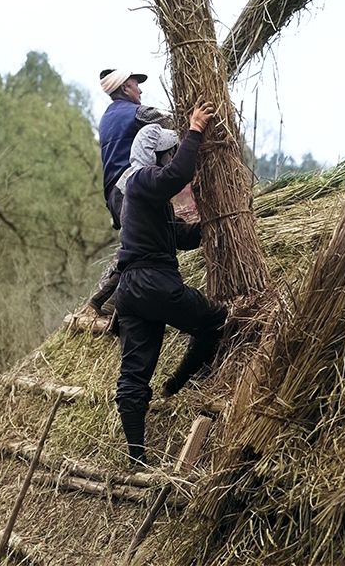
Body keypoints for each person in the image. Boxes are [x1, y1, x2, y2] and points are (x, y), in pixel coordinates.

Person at [112, 103, 227, 466]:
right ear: (155, 156)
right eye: (168, 151)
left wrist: (215, 223)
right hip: (153, 282)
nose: (172, 155)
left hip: (130, 291)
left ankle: (135, 456)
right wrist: (194, 130)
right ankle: (180, 380)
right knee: (213, 321)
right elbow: (177, 174)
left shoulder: (140, 198)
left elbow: (178, 236)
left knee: (133, 374)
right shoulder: (143, 178)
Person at [87, 68, 173, 313]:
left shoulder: (106, 119)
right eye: (136, 84)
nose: (141, 90)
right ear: (125, 87)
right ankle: (98, 304)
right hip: (131, 189)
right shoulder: (140, 113)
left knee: (138, 246)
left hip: (113, 193)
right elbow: (176, 126)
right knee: (142, 248)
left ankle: (109, 303)